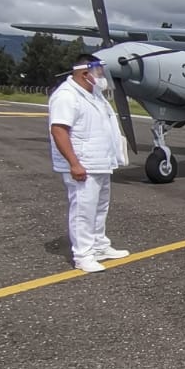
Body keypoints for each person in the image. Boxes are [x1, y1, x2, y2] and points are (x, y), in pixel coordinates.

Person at [48, 54, 131, 272]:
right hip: (83, 164)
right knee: (83, 210)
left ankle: (99, 246)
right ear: (85, 73)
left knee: (100, 207)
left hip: (100, 162)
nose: (102, 77)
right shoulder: (67, 96)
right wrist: (74, 163)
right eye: (99, 73)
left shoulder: (94, 94)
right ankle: (83, 255)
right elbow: (59, 130)